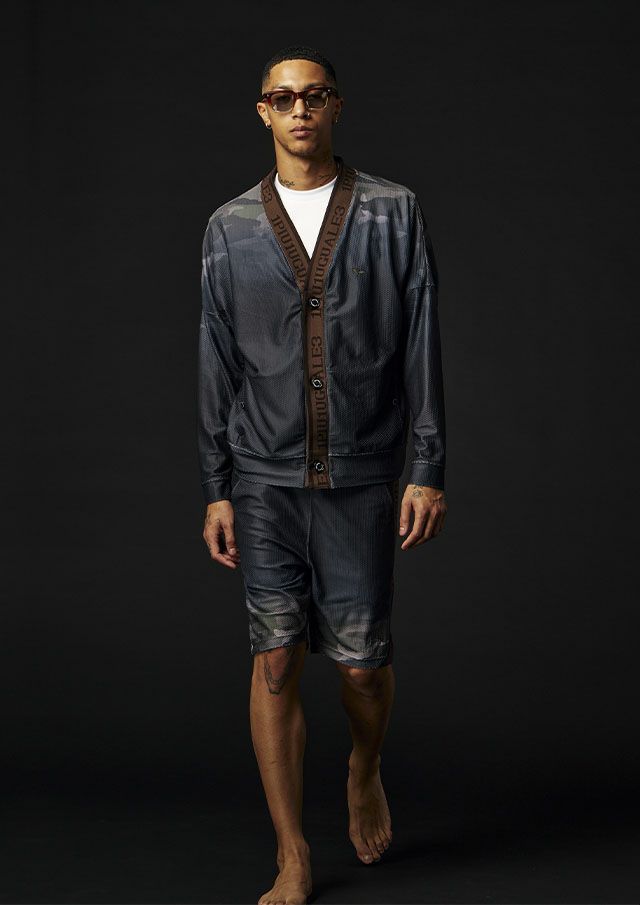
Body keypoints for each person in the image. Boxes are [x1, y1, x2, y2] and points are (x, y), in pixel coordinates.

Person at [198, 44, 448, 905]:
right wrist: (216, 485)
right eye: (283, 97)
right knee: (274, 659)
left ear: (337, 106)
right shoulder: (229, 226)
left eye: (315, 95)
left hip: (363, 475)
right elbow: (215, 360)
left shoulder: (392, 211)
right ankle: (293, 852)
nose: (299, 110)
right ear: (262, 111)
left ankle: (365, 767)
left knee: (361, 665)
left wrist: (427, 465)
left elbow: (421, 339)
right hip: (262, 481)